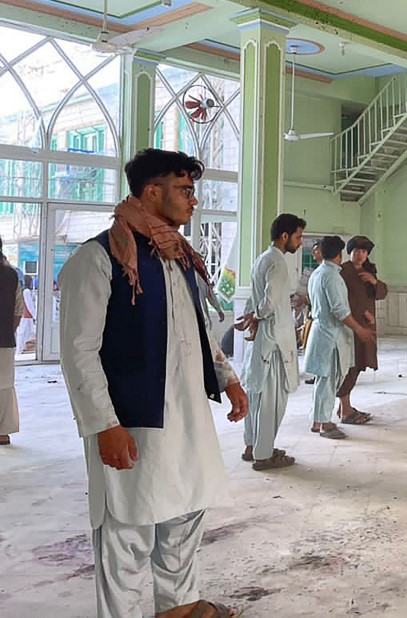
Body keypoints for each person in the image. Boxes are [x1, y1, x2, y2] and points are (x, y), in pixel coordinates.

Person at [57, 148, 248, 617]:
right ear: (150, 191)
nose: (193, 201)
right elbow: (78, 351)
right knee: (128, 528)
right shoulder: (100, 258)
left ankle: (178, 608)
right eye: (185, 191)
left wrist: (227, 379)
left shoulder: (177, 257)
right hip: (133, 420)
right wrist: (104, 424)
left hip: (186, 416)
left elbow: (199, 328)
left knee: (185, 511)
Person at [237, 213, 305, 470]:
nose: (299, 242)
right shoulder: (277, 262)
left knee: (256, 395)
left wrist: (250, 317)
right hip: (274, 340)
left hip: (264, 340)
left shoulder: (262, 259)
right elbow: (268, 303)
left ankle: (251, 445)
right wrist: (255, 316)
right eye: (298, 237)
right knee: (271, 401)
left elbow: (255, 300)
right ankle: (263, 455)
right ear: (285, 236)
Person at [302, 235, 375, 440]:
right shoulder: (332, 276)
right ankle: (324, 423)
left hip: (323, 332)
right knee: (328, 380)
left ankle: (318, 420)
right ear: (339, 254)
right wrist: (360, 330)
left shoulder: (318, 273)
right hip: (330, 335)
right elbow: (340, 311)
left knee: (323, 380)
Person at [335, 236, 387, 425]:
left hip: (366, 326)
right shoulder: (343, 271)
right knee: (350, 365)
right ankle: (345, 408)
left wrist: (373, 281)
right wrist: (362, 314)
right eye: (356, 251)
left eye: (364, 251)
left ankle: (344, 407)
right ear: (350, 252)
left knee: (359, 364)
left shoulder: (368, 271)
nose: (360, 255)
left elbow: (382, 293)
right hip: (351, 326)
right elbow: (342, 301)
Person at [1, 239, 23, 446]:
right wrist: (8, 330)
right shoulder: (11, 276)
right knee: (4, 386)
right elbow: (18, 310)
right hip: (4, 340)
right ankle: (3, 432)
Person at [16, 274, 35, 355]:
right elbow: (29, 305)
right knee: (23, 333)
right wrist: (34, 316)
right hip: (27, 316)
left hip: (26, 316)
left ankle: (21, 349)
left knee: (26, 333)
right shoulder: (26, 291)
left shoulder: (23, 290)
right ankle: (19, 350)